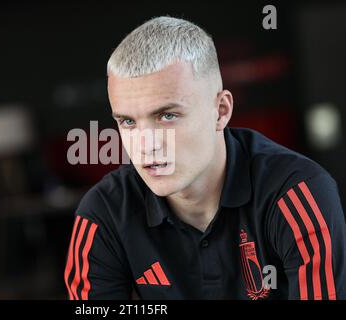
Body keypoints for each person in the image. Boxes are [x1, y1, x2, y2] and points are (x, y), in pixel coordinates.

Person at [64, 16, 346, 300]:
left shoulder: (296, 193)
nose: (145, 146)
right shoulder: (104, 213)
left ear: (221, 111)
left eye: (167, 116)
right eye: (127, 122)